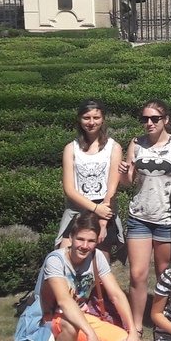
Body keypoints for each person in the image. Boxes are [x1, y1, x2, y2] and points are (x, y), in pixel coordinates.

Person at [40, 212, 141, 341]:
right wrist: (90, 334)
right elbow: (64, 302)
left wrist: (133, 330)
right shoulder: (55, 260)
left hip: (80, 316)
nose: (85, 246)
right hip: (51, 318)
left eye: (91, 241)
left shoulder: (96, 257)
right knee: (68, 327)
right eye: (80, 239)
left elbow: (117, 295)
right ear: (71, 237)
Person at [121, 99, 171, 341]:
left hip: (167, 218)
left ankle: (164, 321)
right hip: (140, 215)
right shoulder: (136, 144)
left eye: (154, 118)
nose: (149, 123)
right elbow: (127, 182)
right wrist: (124, 174)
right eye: (145, 119)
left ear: (166, 120)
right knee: (137, 274)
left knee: (164, 274)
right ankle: (137, 325)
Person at [57, 100, 123, 257]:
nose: (91, 122)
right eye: (87, 118)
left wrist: (103, 219)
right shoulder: (70, 148)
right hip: (77, 210)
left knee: (99, 263)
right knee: (64, 258)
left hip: (105, 209)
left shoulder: (114, 147)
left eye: (96, 117)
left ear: (103, 119)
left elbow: (112, 188)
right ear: (80, 119)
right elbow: (69, 189)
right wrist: (95, 209)